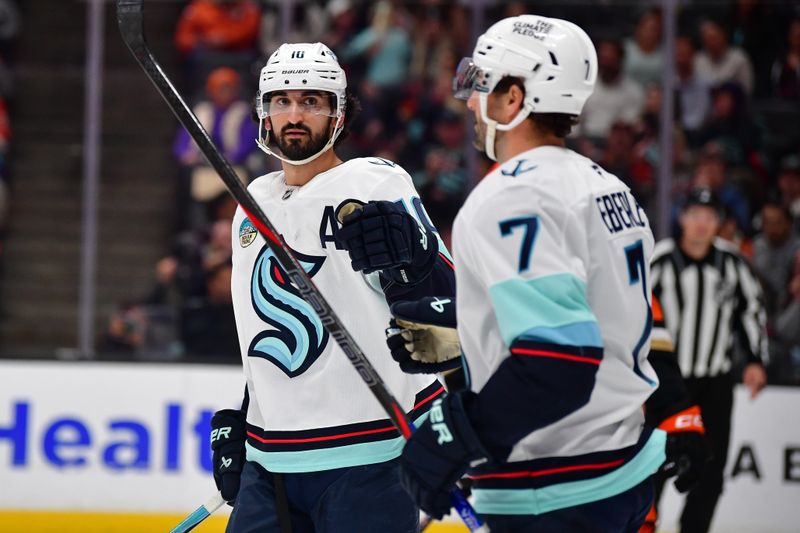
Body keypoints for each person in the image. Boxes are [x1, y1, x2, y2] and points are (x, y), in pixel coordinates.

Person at [391, 15, 667, 531]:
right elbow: (592, 320)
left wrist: (456, 435)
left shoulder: (513, 196)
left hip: (554, 487)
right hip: (619, 470)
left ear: (513, 99)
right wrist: (468, 329)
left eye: (482, 86)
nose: (471, 102)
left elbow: (558, 359)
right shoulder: (607, 187)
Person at [212, 42, 456, 533]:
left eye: (312, 101)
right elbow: (268, 326)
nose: (295, 114)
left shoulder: (375, 183)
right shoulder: (251, 200)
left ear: (339, 114)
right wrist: (247, 414)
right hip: (271, 460)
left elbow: (445, 307)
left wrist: (412, 259)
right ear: (264, 113)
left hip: (370, 458)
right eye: (282, 101)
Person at [650, 187, 768, 533]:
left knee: (711, 471)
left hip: (714, 382)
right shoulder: (660, 260)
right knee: (652, 464)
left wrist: (756, 360)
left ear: (719, 223)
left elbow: (752, 311)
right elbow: (634, 313)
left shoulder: (731, 263)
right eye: (695, 215)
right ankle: (645, 525)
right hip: (666, 383)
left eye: (710, 217)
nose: (702, 224)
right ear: (682, 218)